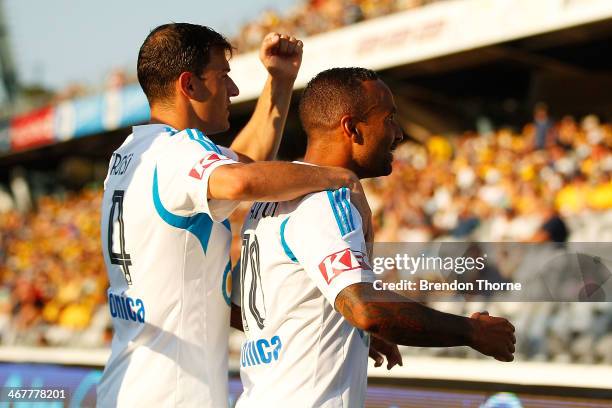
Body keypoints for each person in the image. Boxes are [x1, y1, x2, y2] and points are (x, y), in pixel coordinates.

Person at [97, 24, 371, 408]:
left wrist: (278, 82)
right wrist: (335, 177)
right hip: (171, 397)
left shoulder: (133, 152)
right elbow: (241, 181)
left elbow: (242, 164)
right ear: (189, 85)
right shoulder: (178, 151)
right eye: (223, 76)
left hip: (126, 386)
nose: (233, 90)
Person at [234, 68, 516, 407]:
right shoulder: (326, 201)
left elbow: (241, 310)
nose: (398, 134)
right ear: (352, 128)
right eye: (390, 119)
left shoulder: (268, 204)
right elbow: (367, 308)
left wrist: (349, 326)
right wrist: (473, 333)